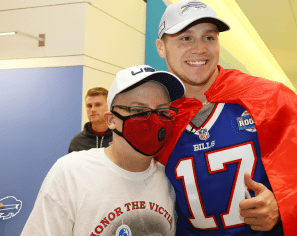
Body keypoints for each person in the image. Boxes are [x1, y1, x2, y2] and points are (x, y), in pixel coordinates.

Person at [154, 0, 297, 235]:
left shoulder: (271, 99)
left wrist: (281, 204)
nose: (200, 49)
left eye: (209, 37)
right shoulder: (157, 117)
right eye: (185, 38)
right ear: (161, 47)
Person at [21, 65, 186, 236]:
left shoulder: (169, 179)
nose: (154, 120)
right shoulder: (70, 173)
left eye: (162, 111)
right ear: (111, 119)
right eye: (138, 110)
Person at [68, 87, 113, 153]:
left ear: (109, 107)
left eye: (98, 105)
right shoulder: (77, 142)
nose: (93, 109)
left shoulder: (120, 139)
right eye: (89, 106)